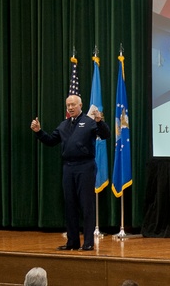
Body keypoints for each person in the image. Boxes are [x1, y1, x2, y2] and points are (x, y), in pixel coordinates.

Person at [31, 95, 110, 251]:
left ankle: (88, 243)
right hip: (68, 167)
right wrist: (39, 132)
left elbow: (106, 134)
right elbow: (51, 141)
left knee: (86, 205)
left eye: (73, 104)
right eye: (68, 105)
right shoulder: (63, 125)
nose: (70, 108)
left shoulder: (89, 122)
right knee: (70, 205)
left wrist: (100, 121)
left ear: (81, 105)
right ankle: (72, 242)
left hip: (85, 166)